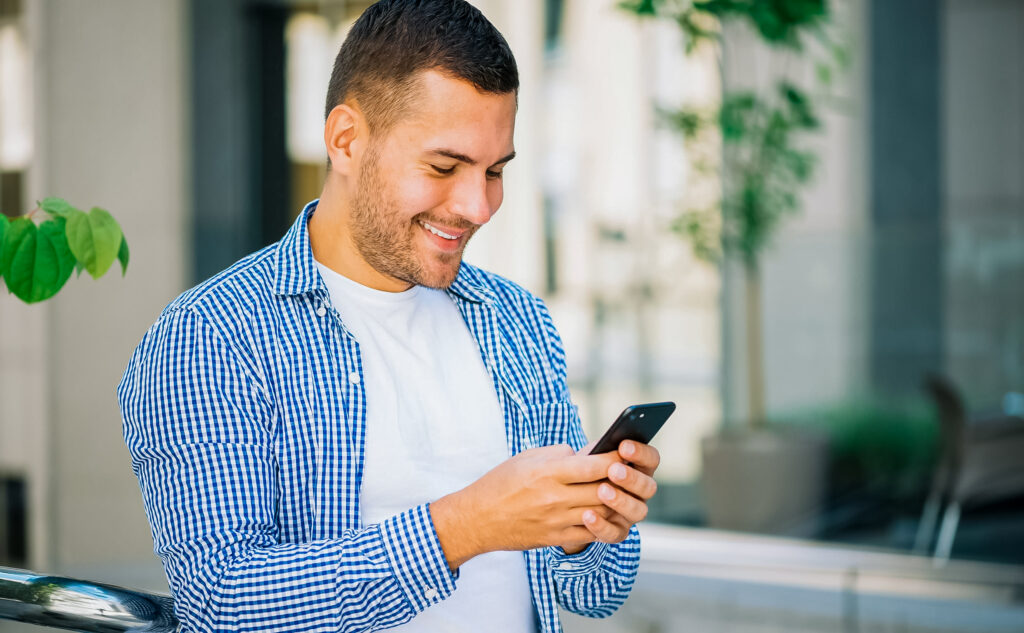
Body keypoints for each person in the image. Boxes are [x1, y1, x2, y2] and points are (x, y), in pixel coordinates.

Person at [118, 1, 661, 631]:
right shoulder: (210, 338)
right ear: (347, 139)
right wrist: (465, 526)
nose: (479, 205)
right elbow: (221, 605)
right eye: (444, 166)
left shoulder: (515, 318)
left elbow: (594, 590)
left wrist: (592, 522)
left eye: (495, 171)